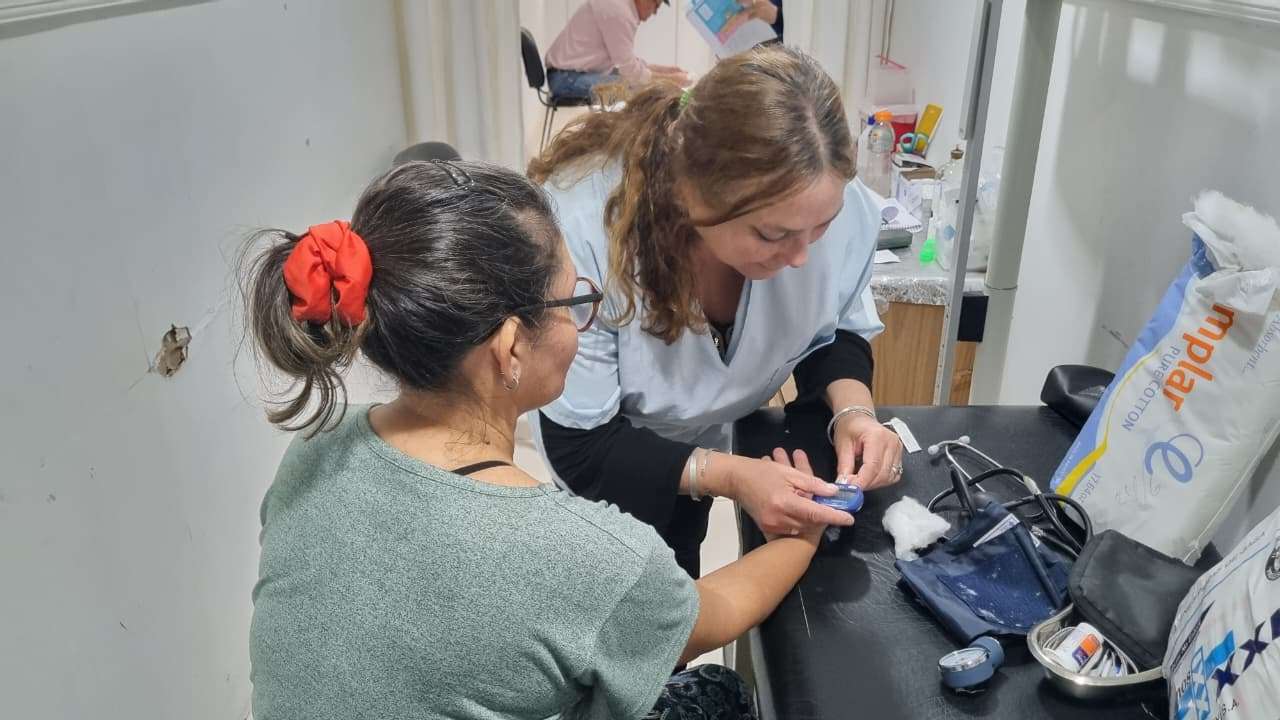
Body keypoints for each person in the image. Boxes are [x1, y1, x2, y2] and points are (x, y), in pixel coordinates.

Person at [243, 160, 845, 719]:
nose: (585, 320)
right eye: (575, 301)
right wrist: (807, 527)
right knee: (716, 693)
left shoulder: (314, 449)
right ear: (510, 349)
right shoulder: (575, 554)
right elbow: (715, 614)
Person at [526, 44, 905, 578]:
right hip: (611, 464)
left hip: (705, 439)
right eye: (771, 234)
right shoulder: (584, 234)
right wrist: (731, 476)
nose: (801, 257)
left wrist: (855, 414)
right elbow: (582, 447)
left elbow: (833, 326)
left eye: (820, 228)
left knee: (683, 563)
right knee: (631, 587)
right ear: (691, 194)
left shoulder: (827, 202)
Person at [544, 0, 690, 102]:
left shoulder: (620, 6)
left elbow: (628, 63)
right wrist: (671, 80)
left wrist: (664, 71)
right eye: (656, 5)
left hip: (567, 76)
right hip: (566, 81)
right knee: (634, 89)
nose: (655, 13)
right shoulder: (619, 12)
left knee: (633, 84)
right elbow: (631, 73)